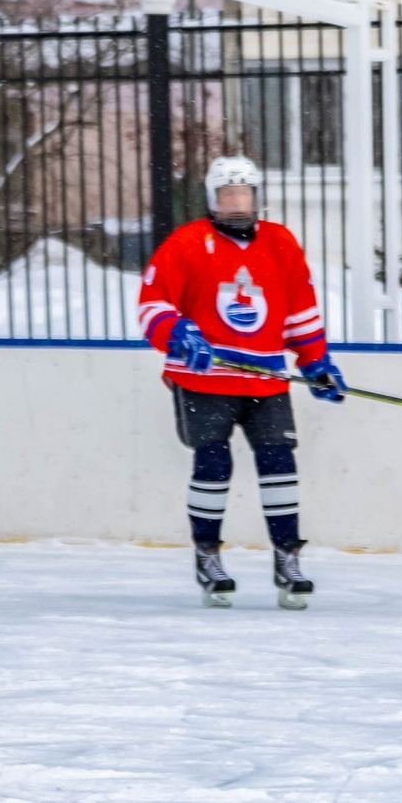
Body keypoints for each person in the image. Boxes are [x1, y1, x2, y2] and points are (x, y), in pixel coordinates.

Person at [136, 155, 344, 610]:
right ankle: (207, 556)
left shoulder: (280, 243)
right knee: (213, 464)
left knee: (279, 464)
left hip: (265, 381)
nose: (236, 204)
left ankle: (287, 558)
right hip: (204, 378)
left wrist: (315, 361)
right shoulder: (186, 243)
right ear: (212, 200)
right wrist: (178, 332)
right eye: (226, 195)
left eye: (243, 194)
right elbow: (152, 303)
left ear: (256, 198)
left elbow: (299, 308)